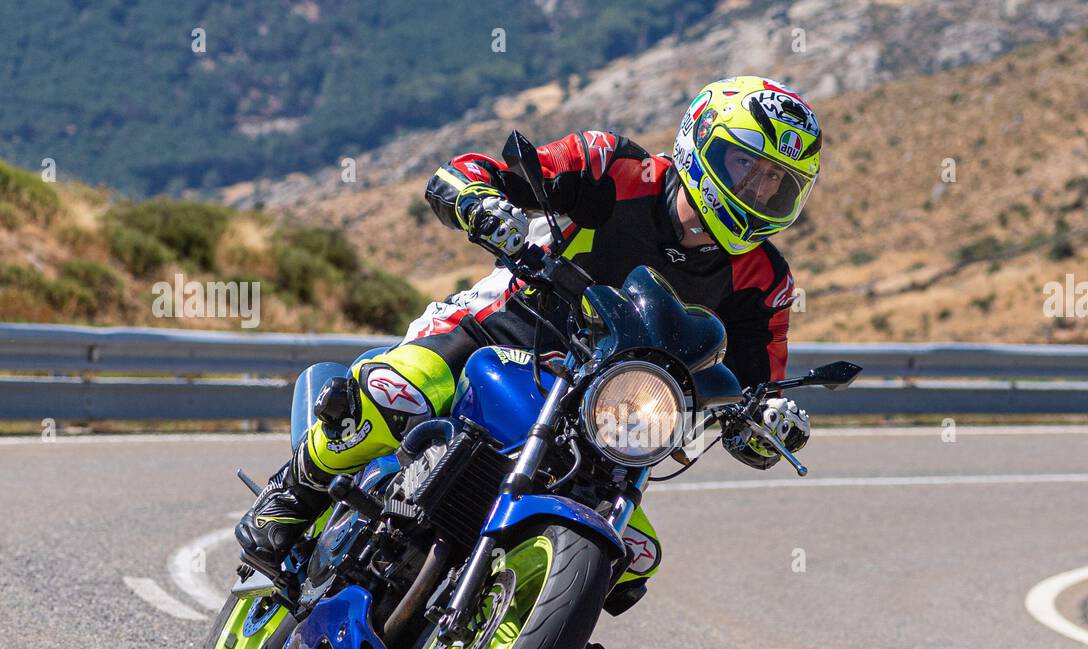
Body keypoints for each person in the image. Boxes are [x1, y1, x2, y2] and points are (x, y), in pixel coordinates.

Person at [237, 75, 823, 565]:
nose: (756, 187)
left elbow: (756, 380)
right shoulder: (613, 168)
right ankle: (292, 493)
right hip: (501, 329)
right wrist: (476, 196)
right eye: (745, 163)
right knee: (394, 394)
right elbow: (489, 171)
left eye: (776, 180)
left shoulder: (765, 280)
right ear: (700, 142)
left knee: (632, 556)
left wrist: (766, 419)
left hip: (603, 418)